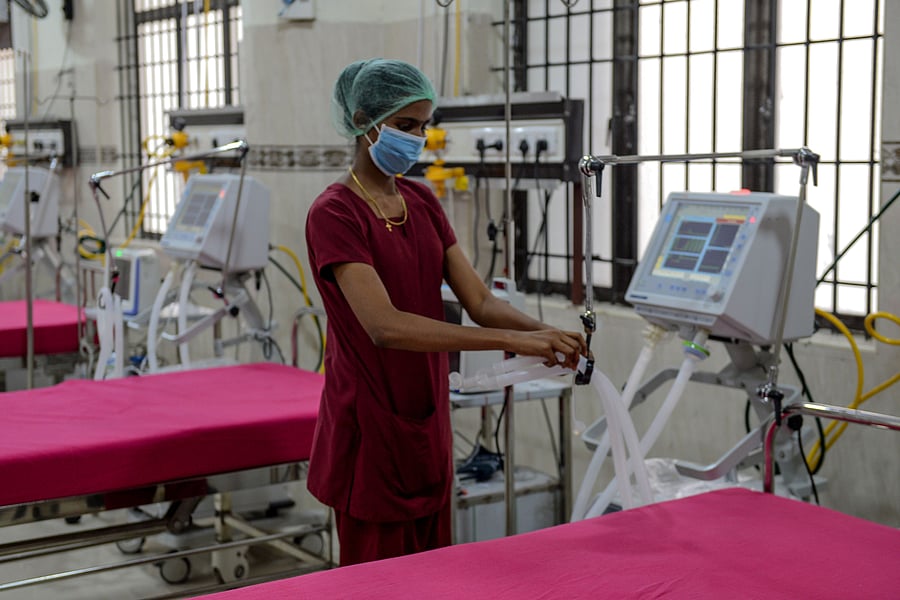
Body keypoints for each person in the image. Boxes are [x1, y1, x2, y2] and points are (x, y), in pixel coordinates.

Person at [305, 58, 586, 566]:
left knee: (434, 575)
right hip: (369, 426)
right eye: (406, 125)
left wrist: (549, 332)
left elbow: (479, 303)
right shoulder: (336, 213)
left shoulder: (422, 201)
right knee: (379, 582)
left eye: (424, 125)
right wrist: (520, 345)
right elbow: (384, 327)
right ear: (365, 122)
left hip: (425, 423)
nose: (418, 138)